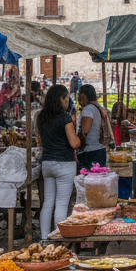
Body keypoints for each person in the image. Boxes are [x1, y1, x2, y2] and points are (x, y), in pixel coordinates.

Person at [37, 85, 81, 240]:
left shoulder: (41, 117)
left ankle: (43, 239)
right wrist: (79, 136)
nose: (68, 101)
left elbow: (38, 142)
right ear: (60, 99)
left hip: (47, 163)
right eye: (66, 97)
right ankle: (58, 240)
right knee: (62, 203)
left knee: (48, 202)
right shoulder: (65, 118)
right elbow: (74, 143)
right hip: (64, 164)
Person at [77, 84, 107, 171]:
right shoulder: (96, 107)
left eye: (79, 95)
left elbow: (85, 131)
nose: (78, 98)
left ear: (83, 96)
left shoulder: (88, 109)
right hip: (98, 150)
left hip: (91, 152)